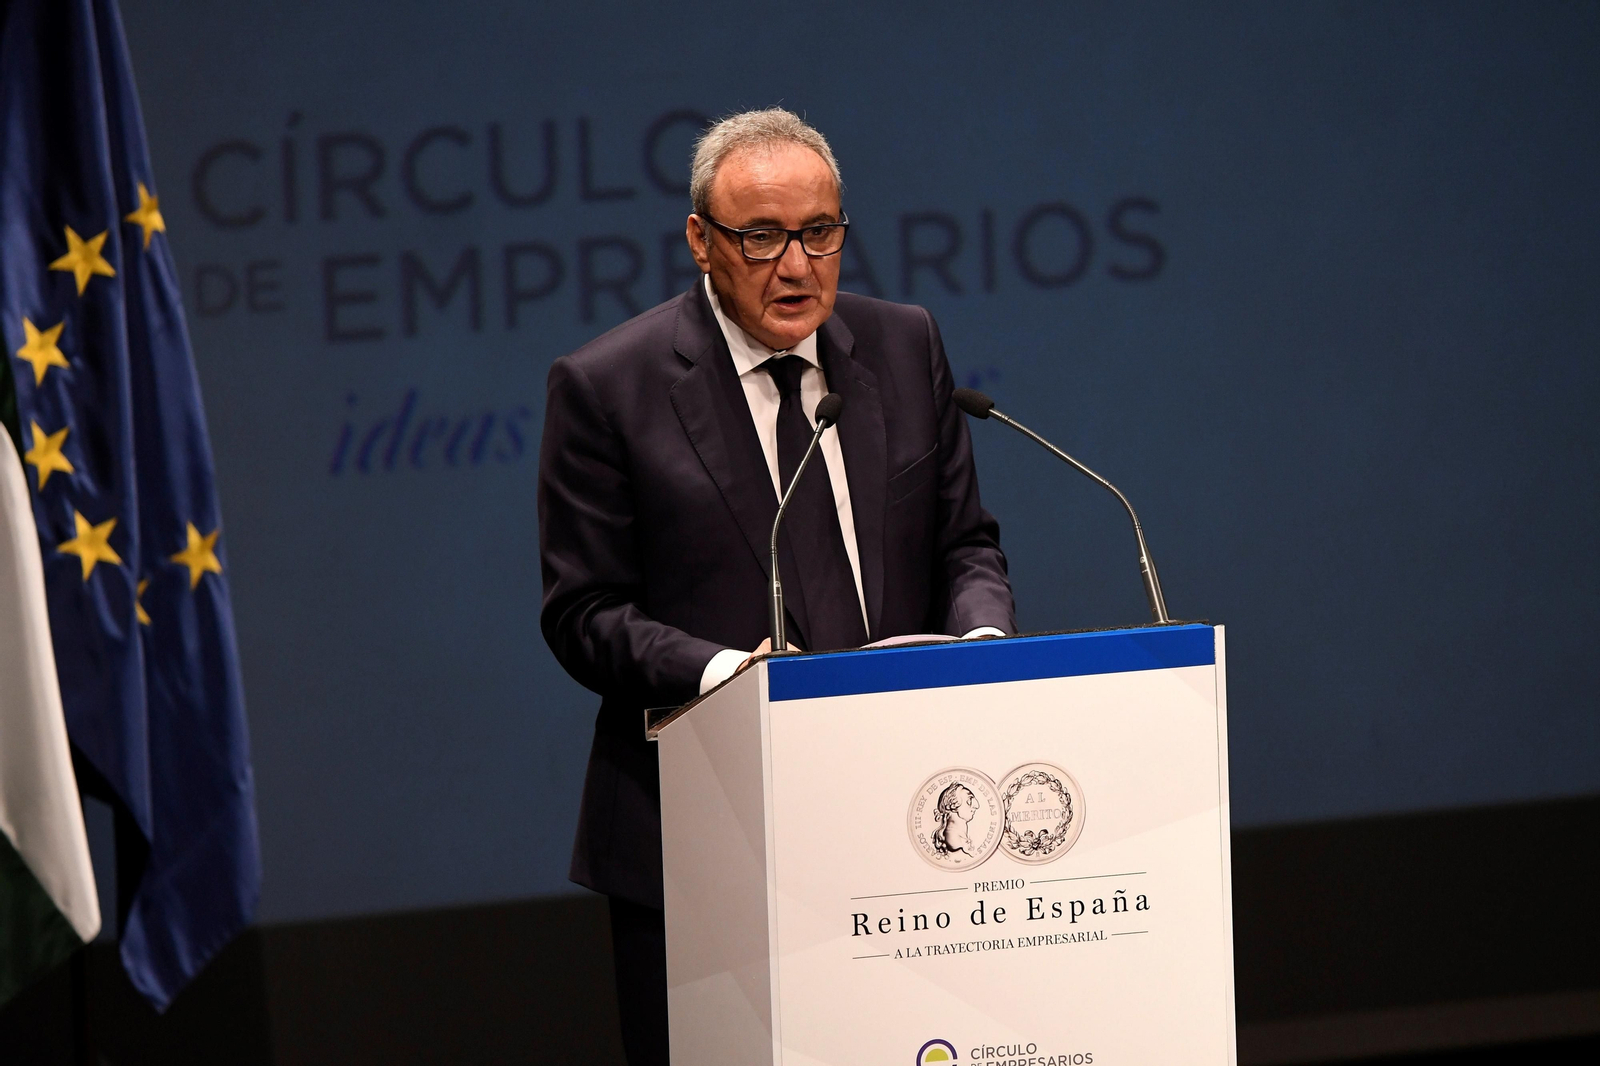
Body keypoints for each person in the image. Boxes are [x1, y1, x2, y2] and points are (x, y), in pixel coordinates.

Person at [538, 107, 1015, 1064]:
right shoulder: (608, 386)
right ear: (702, 243)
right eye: (760, 237)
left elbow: (965, 544)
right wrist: (727, 675)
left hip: (903, 823)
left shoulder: (904, 345)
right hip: (709, 840)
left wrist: (981, 650)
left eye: (820, 233)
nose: (797, 266)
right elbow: (582, 612)